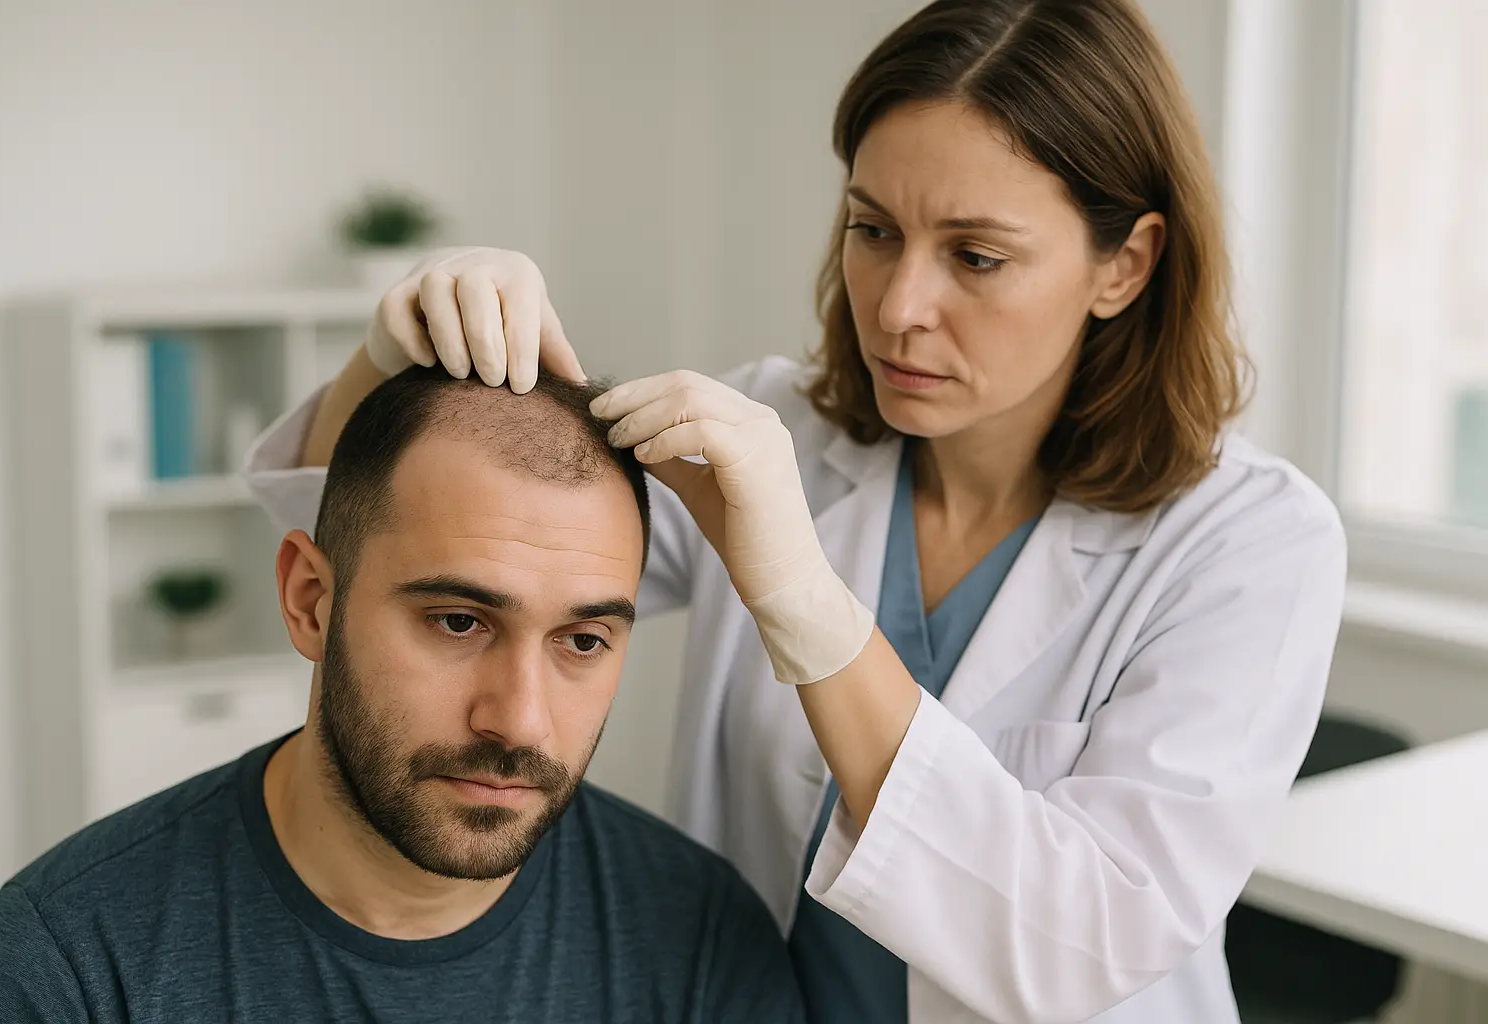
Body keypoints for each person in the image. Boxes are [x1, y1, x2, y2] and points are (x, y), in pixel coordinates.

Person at [248, 1, 1348, 1022]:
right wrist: (392, 351)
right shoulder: (776, 427)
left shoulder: (1249, 545)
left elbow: (1086, 944)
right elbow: (379, 538)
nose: (900, 306)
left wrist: (809, 610)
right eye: (874, 230)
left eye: (975, 256)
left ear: (1126, 264)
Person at [0, 368, 805, 1023]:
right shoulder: (67, 968)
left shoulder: (700, 939)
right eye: (458, 622)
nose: (519, 721)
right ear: (310, 602)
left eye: (582, 641)